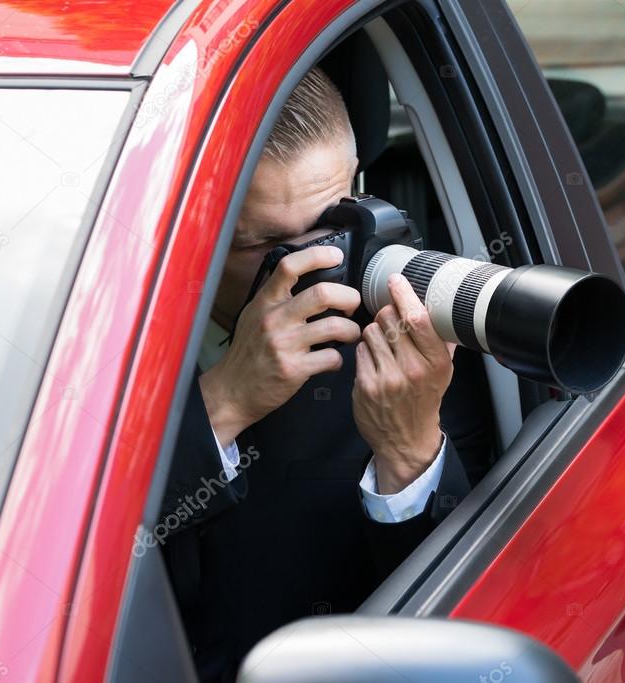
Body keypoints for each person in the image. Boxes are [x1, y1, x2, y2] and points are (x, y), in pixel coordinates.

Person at [159, 66, 493, 682]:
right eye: (262, 246)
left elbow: (454, 634)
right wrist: (224, 403)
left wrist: (408, 451)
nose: (309, 266)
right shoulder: (76, 331)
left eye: (329, 225)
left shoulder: (411, 350)